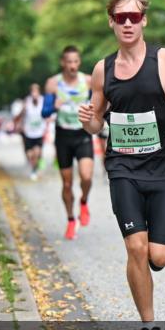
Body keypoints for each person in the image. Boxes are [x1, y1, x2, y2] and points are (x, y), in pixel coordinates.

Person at [78, 0, 165, 330]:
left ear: (144, 20)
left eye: (134, 17)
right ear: (112, 23)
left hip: (163, 167)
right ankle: (148, 328)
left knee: (158, 257)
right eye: (121, 18)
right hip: (123, 167)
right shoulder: (103, 70)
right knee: (135, 247)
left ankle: (151, 251)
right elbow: (97, 122)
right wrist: (88, 120)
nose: (128, 24)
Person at [43, 46, 94, 239]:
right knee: (66, 184)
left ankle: (83, 202)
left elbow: (98, 105)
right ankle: (71, 219)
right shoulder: (52, 84)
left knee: (86, 177)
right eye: (69, 62)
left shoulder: (88, 81)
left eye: (75, 61)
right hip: (63, 136)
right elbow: (44, 112)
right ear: (63, 63)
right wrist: (51, 107)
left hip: (83, 134)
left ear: (79, 62)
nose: (72, 65)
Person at [14, 83, 47, 180]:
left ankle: (34, 170)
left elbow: (47, 114)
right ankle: (33, 166)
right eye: (33, 91)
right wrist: (19, 124)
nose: (34, 94)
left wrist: (48, 123)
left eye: (36, 91)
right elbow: (19, 116)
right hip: (28, 132)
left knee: (36, 153)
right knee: (29, 155)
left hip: (39, 132)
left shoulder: (42, 101)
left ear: (39, 92)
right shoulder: (26, 102)